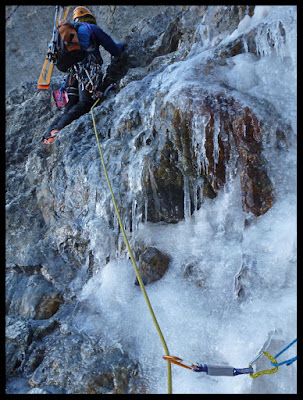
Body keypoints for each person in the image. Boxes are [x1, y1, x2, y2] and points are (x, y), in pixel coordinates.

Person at [43, 6, 126, 144]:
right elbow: (114, 50)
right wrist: (123, 46)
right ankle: (57, 131)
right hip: (87, 72)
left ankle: (48, 134)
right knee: (85, 103)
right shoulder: (92, 28)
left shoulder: (70, 36)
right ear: (91, 17)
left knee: (70, 107)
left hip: (72, 75)